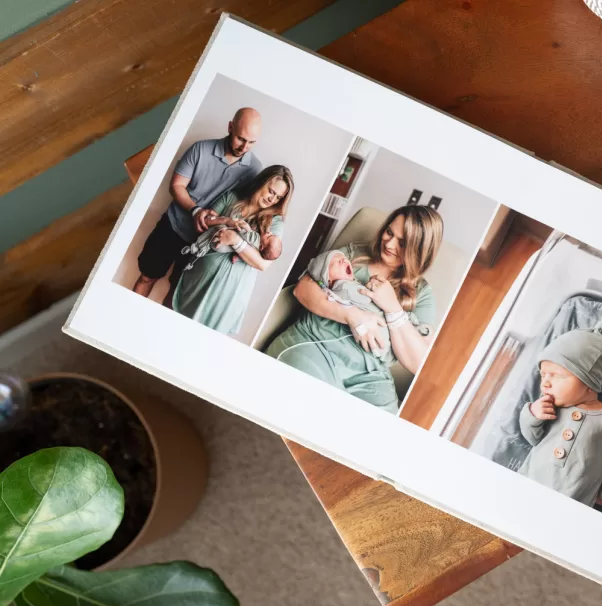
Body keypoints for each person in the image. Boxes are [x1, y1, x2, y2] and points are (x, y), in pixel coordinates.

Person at [266, 205, 443, 413]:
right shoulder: (352, 255)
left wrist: (393, 308)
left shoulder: (421, 293)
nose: (389, 243)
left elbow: (419, 362)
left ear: (419, 250)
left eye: (402, 243)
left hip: (369, 373)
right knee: (316, 404)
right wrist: (352, 316)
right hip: (318, 343)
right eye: (389, 232)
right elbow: (302, 289)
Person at [132, 107, 264, 300]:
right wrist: (195, 210)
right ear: (230, 127)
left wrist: (240, 244)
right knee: (147, 277)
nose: (244, 147)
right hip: (172, 227)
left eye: (251, 142)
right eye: (240, 139)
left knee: (177, 295)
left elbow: (246, 210)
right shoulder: (200, 149)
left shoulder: (255, 169)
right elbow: (176, 186)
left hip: (206, 243)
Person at [517, 311, 602, 507]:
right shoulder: (550, 409)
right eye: (543, 375)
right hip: (525, 487)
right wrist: (532, 415)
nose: (545, 383)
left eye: (556, 376)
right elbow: (532, 438)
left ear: (590, 382)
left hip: (571, 504)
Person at [171, 165, 294, 335]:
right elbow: (204, 221)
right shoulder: (232, 197)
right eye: (271, 191)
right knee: (176, 325)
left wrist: (235, 240)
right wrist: (227, 221)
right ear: (262, 183)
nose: (272, 200)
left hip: (230, 291)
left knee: (206, 338)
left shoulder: (275, 221)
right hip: (200, 276)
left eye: (278, 197)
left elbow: (264, 263)